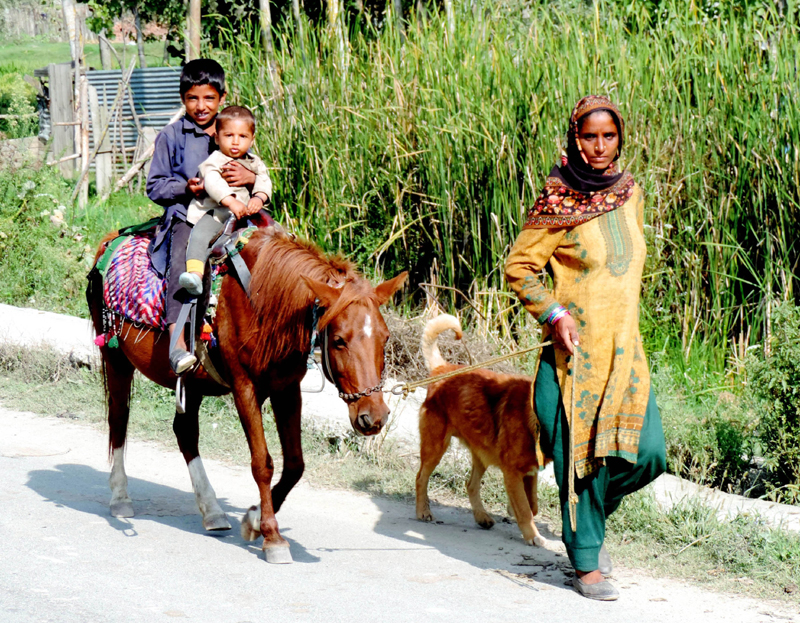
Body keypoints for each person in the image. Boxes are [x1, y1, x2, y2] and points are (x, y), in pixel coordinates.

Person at [505, 95, 666, 601]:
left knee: (649, 455)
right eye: (589, 136)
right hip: (572, 361)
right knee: (580, 461)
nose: (599, 147)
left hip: (626, 352)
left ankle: (587, 521)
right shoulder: (558, 199)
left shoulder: (630, 193)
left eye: (609, 136)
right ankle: (586, 561)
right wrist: (554, 315)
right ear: (575, 137)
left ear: (621, 138)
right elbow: (520, 268)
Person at [146, 59, 257, 375]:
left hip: (235, 212)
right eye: (193, 98)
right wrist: (186, 187)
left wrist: (250, 179)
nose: (201, 106)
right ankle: (177, 345)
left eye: (209, 98)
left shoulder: (233, 129)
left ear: (222, 98)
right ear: (183, 98)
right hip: (189, 215)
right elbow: (154, 186)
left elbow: (256, 170)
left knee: (278, 248)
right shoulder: (172, 136)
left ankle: (299, 334)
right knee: (183, 264)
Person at [178, 105, 272, 297]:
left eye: (243, 137)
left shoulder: (255, 162)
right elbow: (212, 182)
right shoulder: (215, 160)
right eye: (229, 136)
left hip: (249, 213)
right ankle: (195, 274)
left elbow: (264, 179)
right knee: (200, 235)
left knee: (275, 234)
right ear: (217, 138)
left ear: (252, 139)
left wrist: (259, 197)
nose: (235, 142)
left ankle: (276, 275)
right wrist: (231, 202)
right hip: (219, 213)